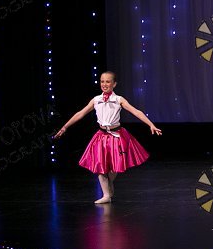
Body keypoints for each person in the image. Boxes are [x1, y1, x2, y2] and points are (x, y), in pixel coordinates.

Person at [54, 71, 162, 204]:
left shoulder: (118, 100)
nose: (104, 84)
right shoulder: (96, 100)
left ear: (114, 84)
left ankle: (109, 182)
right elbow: (80, 113)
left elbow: (136, 111)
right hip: (101, 136)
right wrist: (65, 127)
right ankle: (106, 195)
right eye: (102, 81)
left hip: (116, 136)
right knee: (100, 165)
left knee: (114, 167)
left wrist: (150, 124)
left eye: (108, 81)